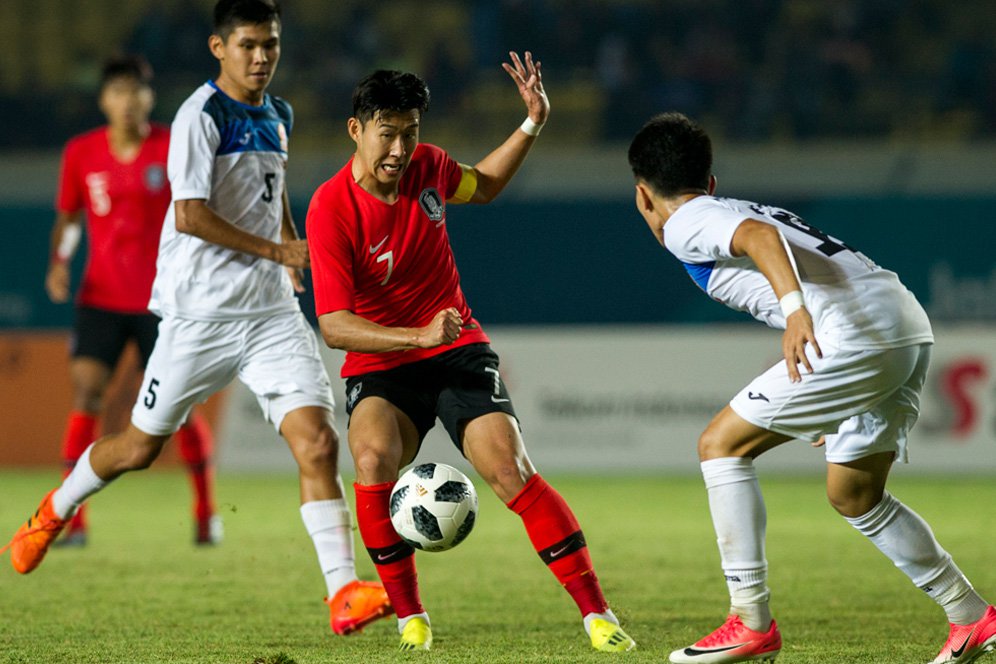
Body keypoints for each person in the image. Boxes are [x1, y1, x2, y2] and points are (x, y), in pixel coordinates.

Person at [5, 0, 391, 637]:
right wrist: (280, 249)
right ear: (220, 48)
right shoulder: (199, 116)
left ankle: (342, 591)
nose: (261, 56)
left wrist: (288, 254)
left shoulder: (279, 112)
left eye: (270, 43)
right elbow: (189, 215)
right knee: (137, 448)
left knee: (318, 443)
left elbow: (274, 194)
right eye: (247, 45)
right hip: (198, 317)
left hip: (269, 313)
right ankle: (53, 510)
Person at [627, 112, 996, 664]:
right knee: (855, 495)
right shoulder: (727, 205)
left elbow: (760, 238)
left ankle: (749, 621)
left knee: (719, 446)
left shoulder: (687, 218)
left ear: (642, 195)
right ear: (710, 180)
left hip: (854, 335)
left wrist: (796, 311)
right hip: (903, 324)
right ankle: (972, 617)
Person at [305, 56, 636, 653]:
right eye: (388, 132)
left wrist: (532, 122)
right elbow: (333, 326)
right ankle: (411, 618)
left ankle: (598, 615)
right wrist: (415, 336)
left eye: (410, 132)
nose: (401, 148)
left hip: (457, 349)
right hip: (386, 361)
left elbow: (482, 185)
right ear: (356, 130)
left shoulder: (428, 167)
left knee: (510, 470)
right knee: (373, 457)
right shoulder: (330, 208)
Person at [46, 54, 220, 548]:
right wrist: (60, 259)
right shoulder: (81, 153)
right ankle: (72, 520)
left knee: (179, 408)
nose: (128, 101)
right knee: (86, 395)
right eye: (118, 91)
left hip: (164, 301)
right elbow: (71, 216)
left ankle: (206, 514)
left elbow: (200, 210)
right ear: (104, 100)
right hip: (100, 297)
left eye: (136, 91)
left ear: (149, 97)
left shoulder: (173, 146)